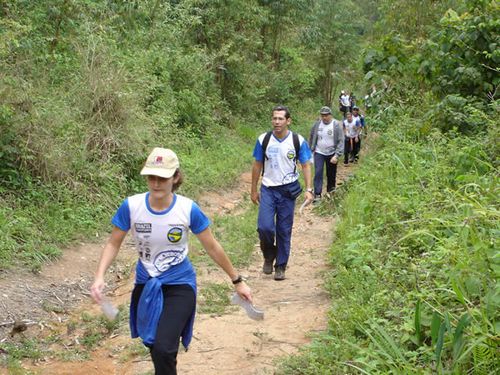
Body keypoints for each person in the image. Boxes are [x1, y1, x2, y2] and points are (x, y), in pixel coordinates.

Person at [90, 147, 252, 375]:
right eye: (151, 177)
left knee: (164, 349)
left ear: (175, 177)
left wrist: (237, 280)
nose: (156, 183)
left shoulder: (187, 209)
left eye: (162, 178)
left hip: (180, 284)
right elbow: (113, 243)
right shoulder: (132, 206)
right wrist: (99, 277)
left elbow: (212, 246)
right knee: (154, 345)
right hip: (147, 284)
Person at [250, 105, 313, 281]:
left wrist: (309, 189)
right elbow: (257, 164)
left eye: (280, 119)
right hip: (268, 189)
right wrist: (253, 189)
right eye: (274, 118)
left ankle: (281, 266)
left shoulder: (297, 141)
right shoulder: (264, 139)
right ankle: (269, 255)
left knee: (284, 230)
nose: (276, 122)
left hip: (287, 190)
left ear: (288, 121)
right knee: (265, 227)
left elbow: (306, 164)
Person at [308, 106, 344, 202]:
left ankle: (330, 193)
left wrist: (337, 155)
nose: (324, 117)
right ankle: (317, 194)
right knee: (318, 172)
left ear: (330, 115)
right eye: (322, 115)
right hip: (319, 152)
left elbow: (341, 140)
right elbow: (311, 137)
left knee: (331, 174)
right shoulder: (317, 125)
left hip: (332, 153)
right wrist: (310, 149)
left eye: (326, 115)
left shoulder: (336, 125)